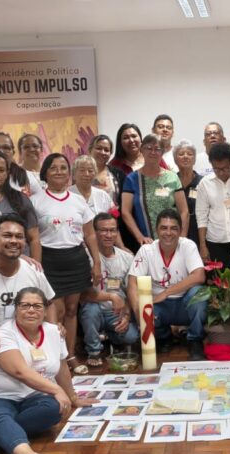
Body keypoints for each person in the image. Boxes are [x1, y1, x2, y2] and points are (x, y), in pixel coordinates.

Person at [0, 288, 95, 454]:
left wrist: (72, 397)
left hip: (35, 397)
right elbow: (20, 371)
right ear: (16, 309)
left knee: (55, 408)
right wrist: (56, 390)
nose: (31, 310)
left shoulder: (54, 332)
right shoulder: (3, 334)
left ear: (45, 310)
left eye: (37, 306)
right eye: (25, 305)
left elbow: (62, 368)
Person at [30, 153, 101, 364]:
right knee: (56, 311)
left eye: (63, 168)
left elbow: (90, 234)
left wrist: (96, 262)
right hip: (49, 261)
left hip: (76, 259)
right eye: (53, 168)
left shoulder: (78, 200)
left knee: (71, 310)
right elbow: (33, 238)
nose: (59, 171)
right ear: (45, 173)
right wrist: (37, 268)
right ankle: (57, 359)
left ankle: (70, 356)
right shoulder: (35, 201)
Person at [0, 215, 57, 385]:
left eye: (19, 237)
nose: (14, 241)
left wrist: (53, 331)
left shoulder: (33, 270)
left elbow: (49, 302)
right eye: (7, 235)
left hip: (30, 346)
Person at [128, 209, 207, 360]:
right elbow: (132, 282)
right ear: (157, 230)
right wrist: (138, 312)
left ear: (180, 230)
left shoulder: (188, 245)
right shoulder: (146, 250)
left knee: (199, 294)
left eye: (173, 228)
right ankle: (164, 337)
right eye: (164, 228)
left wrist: (166, 292)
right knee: (143, 305)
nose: (168, 233)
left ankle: (195, 340)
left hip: (184, 303)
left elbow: (199, 276)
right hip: (159, 306)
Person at [79, 213, 138, 364]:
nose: (109, 235)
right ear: (94, 233)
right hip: (95, 309)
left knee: (132, 337)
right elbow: (82, 294)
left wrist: (127, 315)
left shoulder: (127, 258)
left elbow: (132, 291)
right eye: (104, 230)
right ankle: (94, 351)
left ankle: (105, 337)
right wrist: (111, 296)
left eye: (112, 230)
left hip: (116, 312)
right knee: (90, 310)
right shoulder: (85, 256)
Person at [120, 134, 190, 244]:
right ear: (141, 150)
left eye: (157, 149)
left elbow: (184, 211)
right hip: (147, 243)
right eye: (149, 148)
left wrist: (181, 239)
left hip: (172, 239)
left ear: (162, 152)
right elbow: (125, 212)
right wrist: (140, 237)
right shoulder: (132, 179)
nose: (153, 152)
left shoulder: (172, 177)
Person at [171, 139, 202, 250]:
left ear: (194, 159)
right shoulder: (170, 181)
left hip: (199, 234)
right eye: (181, 154)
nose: (185, 156)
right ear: (175, 159)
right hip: (174, 233)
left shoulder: (203, 182)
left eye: (189, 154)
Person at [90, 134, 122, 204]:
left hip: (113, 211)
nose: (102, 152)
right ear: (90, 150)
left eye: (106, 150)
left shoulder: (118, 174)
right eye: (98, 148)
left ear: (110, 153)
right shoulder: (81, 173)